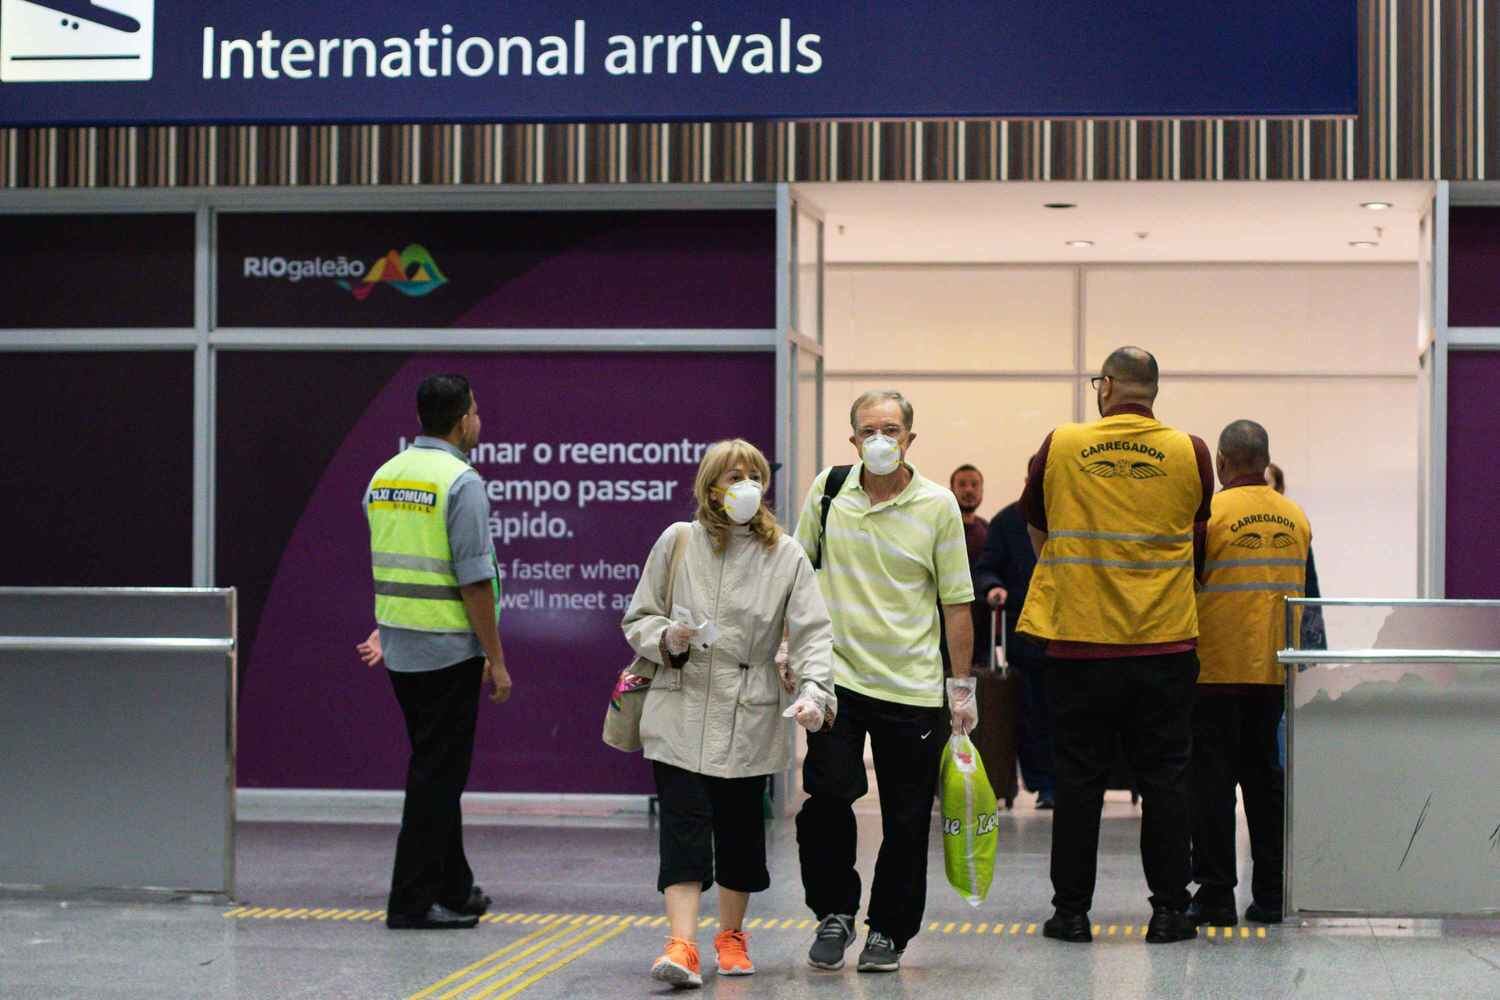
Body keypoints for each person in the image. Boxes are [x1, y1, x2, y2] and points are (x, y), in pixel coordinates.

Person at [1015, 346, 1213, 946]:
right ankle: (1170, 912)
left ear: (1106, 388)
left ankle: (1072, 914)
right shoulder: (1190, 451)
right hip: (1165, 643)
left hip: (1081, 640)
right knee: (1166, 782)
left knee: (1078, 782)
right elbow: (1198, 534)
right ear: (1154, 391)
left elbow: (1036, 524)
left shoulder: (1062, 444)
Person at [621, 439, 836, 990]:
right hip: (680, 706)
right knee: (684, 829)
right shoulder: (678, 542)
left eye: (753, 475)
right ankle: (682, 944)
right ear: (709, 487)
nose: (744, 484)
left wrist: (815, 691)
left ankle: (731, 936)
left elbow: (812, 632)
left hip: (750, 708)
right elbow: (638, 616)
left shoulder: (785, 554)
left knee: (740, 832)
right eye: (732, 475)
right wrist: (667, 635)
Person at [794, 390, 977, 974]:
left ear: (910, 439)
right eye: (869, 429)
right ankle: (834, 910)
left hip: (913, 688)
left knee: (904, 817)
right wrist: (789, 654)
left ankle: (889, 932)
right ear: (852, 440)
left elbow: (956, 602)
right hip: (837, 681)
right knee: (826, 799)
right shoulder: (828, 492)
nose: (881, 439)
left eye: (892, 429)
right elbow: (796, 576)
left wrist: (962, 689)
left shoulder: (938, 505)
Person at [356, 374, 512, 931]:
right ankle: (410, 902)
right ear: (459, 420)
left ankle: (456, 887)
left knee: (435, 769)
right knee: (436, 778)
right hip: (448, 650)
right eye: (475, 411)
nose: (480, 420)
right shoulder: (460, 482)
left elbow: (393, 561)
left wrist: (383, 630)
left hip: (401, 649)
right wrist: (495, 659)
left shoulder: (385, 475)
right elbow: (475, 582)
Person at [1189, 420, 1310, 930]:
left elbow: (1187, 579)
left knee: (1212, 785)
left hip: (1215, 670)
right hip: (1274, 670)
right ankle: (1271, 896)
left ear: (1220, 462)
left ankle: (1216, 896)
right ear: (1263, 459)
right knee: (1266, 784)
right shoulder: (1296, 517)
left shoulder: (1210, 515)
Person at [976, 495, 1056, 808]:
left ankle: (1057, 783)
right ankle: (1045, 784)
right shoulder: (1007, 522)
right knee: (1033, 713)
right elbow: (987, 568)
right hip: (1026, 635)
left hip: (1066, 632)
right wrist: (993, 586)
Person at [951, 464, 993, 671]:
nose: (969, 490)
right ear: (952, 490)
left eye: (975, 485)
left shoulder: (988, 529)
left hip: (982, 619)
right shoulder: (945, 528)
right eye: (962, 485)